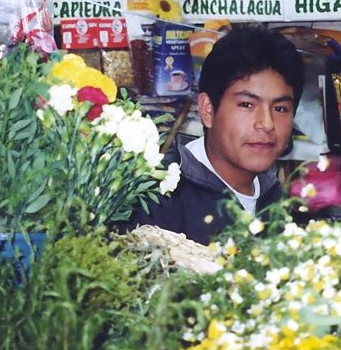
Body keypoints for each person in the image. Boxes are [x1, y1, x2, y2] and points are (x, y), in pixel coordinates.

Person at [127, 24, 304, 244]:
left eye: (280, 109)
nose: (266, 124)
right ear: (208, 109)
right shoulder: (159, 197)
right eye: (247, 105)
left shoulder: (275, 197)